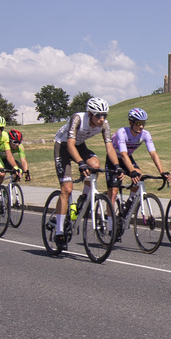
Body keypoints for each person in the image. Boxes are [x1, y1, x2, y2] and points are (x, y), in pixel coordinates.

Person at [51, 97, 119, 249]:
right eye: (99, 115)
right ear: (90, 114)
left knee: (95, 165)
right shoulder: (77, 118)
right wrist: (81, 163)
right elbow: (69, 145)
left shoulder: (104, 125)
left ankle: (84, 197)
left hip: (80, 146)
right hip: (63, 146)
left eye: (105, 115)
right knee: (67, 189)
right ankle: (59, 230)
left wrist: (117, 166)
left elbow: (109, 147)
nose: (102, 119)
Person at [105, 107, 171, 202]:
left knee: (138, 176)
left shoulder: (145, 134)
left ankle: (130, 201)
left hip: (127, 157)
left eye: (143, 123)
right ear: (130, 123)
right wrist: (132, 171)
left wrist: (161, 171)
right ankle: (110, 217)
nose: (141, 126)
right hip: (114, 159)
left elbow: (153, 154)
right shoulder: (122, 133)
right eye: (138, 123)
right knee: (113, 193)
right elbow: (123, 154)